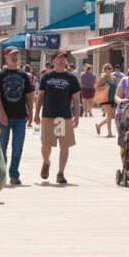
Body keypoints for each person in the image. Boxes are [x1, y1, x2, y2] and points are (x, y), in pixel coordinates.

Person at [34, 51, 82, 185]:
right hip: (48, 114)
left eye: (63, 59)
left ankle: (61, 173)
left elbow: (76, 99)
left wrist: (77, 116)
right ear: (53, 60)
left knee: (65, 145)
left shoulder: (71, 78)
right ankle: (46, 162)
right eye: (59, 58)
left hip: (65, 116)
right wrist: (36, 112)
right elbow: (40, 96)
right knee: (46, 144)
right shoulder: (46, 76)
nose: (61, 61)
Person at [0, 46, 35, 186]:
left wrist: (31, 112)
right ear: (6, 57)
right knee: (2, 147)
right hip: (4, 117)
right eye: (11, 55)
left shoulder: (23, 75)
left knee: (18, 147)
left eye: (16, 54)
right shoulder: (0, 75)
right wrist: (1, 113)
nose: (14, 57)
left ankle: (14, 174)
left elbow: (29, 95)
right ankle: (2, 173)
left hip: (20, 116)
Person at [94, 64, 117, 137]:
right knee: (109, 115)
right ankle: (109, 133)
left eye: (111, 68)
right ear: (105, 70)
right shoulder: (102, 78)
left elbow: (116, 88)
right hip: (105, 98)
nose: (110, 69)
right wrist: (104, 86)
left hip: (112, 98)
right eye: (108, 68)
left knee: (111, 116)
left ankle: (99, 125)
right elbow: (97, 88)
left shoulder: (114, 78)